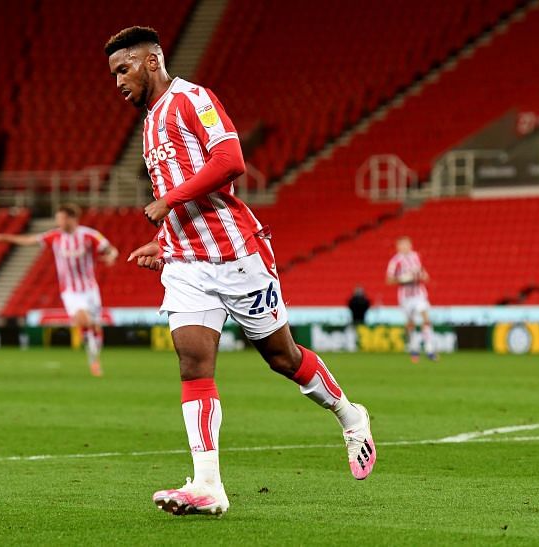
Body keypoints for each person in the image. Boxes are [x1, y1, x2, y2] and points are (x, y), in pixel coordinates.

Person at [106, 26, 377, 517]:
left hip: (237, 256)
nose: (117, 82)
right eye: (112, 74)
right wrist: (163, 241)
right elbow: (182, 196)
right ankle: (208, 484)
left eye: (122, 69)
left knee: (282, 357)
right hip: (187, 263)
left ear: (151, 62)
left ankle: (350, 414)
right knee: (192, 362)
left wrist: (168, 200)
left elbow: (231, 160)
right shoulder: (147, 126)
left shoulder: (193, 99)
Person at [0, 204, 118, 376]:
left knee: (94, 326)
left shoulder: (89, 235)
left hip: (90, 289)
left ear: (72, 218)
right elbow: (29, 240)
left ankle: (94, 357)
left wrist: (111, 256)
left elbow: (112, 250)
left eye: (62, 218)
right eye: (58, 219)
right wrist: (3, 238)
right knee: (83, 320)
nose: (59, 222)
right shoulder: (55, 236)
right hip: (70, 291)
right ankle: (92, 356)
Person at [386, 236, 437, 363]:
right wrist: (403, 278)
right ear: (398, 247)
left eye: (406, 245)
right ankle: (414, 348)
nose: (404, 247)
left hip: (419, 293)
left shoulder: (416, 256)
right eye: (401, 245)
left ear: (410, 245)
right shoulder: (395, 261)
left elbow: (421, 271)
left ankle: (430, 349)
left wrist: (424, 275)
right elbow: (389, 280)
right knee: (410, 323)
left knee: (425, 317)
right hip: (405, 297)